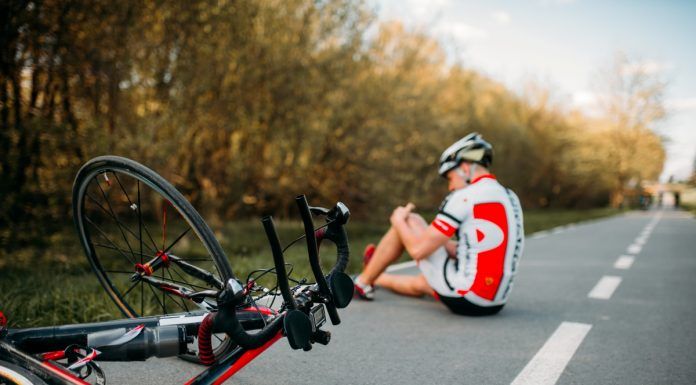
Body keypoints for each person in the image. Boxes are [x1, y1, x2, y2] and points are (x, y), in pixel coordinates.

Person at [353, 133, 524, 316]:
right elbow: (481, 248)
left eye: (450, 178)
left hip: (465, 297)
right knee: (420, 283)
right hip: (495, 302)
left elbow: (417, 250)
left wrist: (397, 220)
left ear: (465, 168)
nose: (450, 187)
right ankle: (375, 275)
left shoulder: (465, 196)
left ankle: (362, 283)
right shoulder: (510, 196)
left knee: (411, 220)